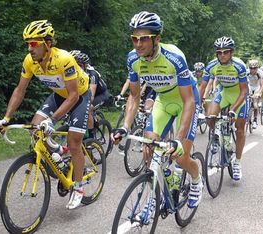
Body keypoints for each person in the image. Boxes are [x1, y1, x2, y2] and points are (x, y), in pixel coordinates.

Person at [0, 20, 91, 209]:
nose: (29, 48)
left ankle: (79, 187)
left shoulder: (64, 59)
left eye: (33, 43)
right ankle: (58, 152)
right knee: (35, 128)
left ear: (47, 43)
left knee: (74, 143)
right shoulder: (29, 61)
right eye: (27, 44)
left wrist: (53, 120)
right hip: (58, 94)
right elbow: (20, 90)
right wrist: (6, 118)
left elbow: (73, 96)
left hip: (79, 95)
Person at [111, 11, 203, 209]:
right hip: (163, 100)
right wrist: (125, 127)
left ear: (157, 39)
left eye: (144, 38)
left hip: (186, 101)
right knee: (148, 147)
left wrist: (178, 139)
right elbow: (134, 96)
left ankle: (196, 179)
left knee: (180, 156)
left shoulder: (174, 57)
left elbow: (188, 101)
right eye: (134, 38)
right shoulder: (132, 59)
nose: (138, 44)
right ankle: (155, 190)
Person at [199, 36, 248, 181]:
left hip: (239, 94)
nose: (222, 55)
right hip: (224, 92)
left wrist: (233, 109)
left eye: (226, 52)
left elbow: (244, 91)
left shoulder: (239, 66)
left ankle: (237, 162)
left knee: (239, 130)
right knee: (210, 116)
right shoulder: (212, 65)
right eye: (219, 52)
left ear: (231, 52)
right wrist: (195, 105)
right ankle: (216, 138)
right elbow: (202, 86)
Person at [70, 50, 109, 138]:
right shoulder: (71, 72)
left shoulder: (92, 74)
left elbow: (91, 95)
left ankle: (91, 137)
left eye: (79, 65)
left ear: (85, 65)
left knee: (88, 109)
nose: (77, 67)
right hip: (85, 93)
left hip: (100, 95)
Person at [246, 59, 263, 129]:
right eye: (251, 68)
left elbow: (262, 85)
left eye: (254, 68)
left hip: (257, 86)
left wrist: (259, 93)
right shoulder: (246, 72)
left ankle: (255, 120)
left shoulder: (260, 73)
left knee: (255, 105)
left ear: (257, 68)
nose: (253, 70)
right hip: (249, 85)